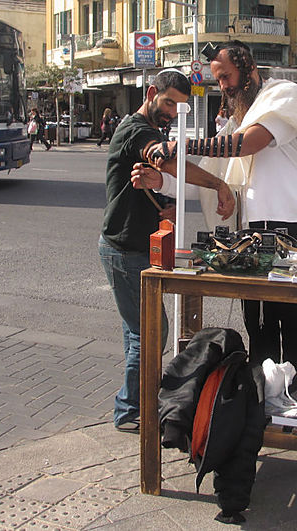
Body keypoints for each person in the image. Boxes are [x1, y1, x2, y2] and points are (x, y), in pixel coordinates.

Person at [146, 42, 297, 372]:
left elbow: (246, 144)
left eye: (226, 76)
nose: (224, 86)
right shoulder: (243, 117)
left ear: (249, 70)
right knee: (259, 329)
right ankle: (261, 409)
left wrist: (183, 144)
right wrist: (161, 180)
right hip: (254, 235)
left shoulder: (285, 95)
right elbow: (208, 174)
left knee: (296, 331)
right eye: (219, 80)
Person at [99, 69, 235, 432]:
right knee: (151, 333)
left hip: (137, 244)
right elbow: (165, 160)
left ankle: (134, 404)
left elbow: (148, 177)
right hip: (124, 248)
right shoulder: (136, 130)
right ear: (150, 93)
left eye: (180, 106)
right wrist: (218, 182)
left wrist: (163, 201)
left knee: (139, 333)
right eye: (170, 103)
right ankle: (131, 409)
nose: (174, 112)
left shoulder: (152, 127)